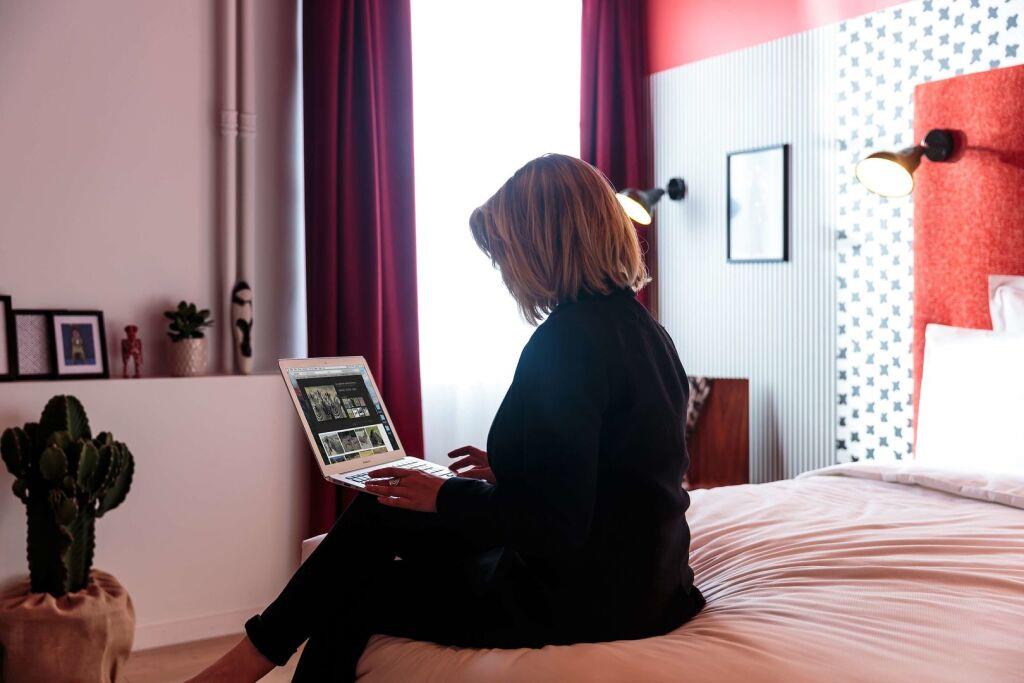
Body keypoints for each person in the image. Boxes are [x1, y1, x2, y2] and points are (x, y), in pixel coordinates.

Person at [189, 154, 704, 682]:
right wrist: (514, 470)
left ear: (542, 244)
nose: (505, 270)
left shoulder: (567, 342)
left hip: (583, 597)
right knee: (382, 509)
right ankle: (244, 664)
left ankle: (239, 668)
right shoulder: (642, 330)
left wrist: (445, 495)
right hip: (646, 583)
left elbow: (553, 529)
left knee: (353, 590)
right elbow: (622, 464)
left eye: (506, 251)